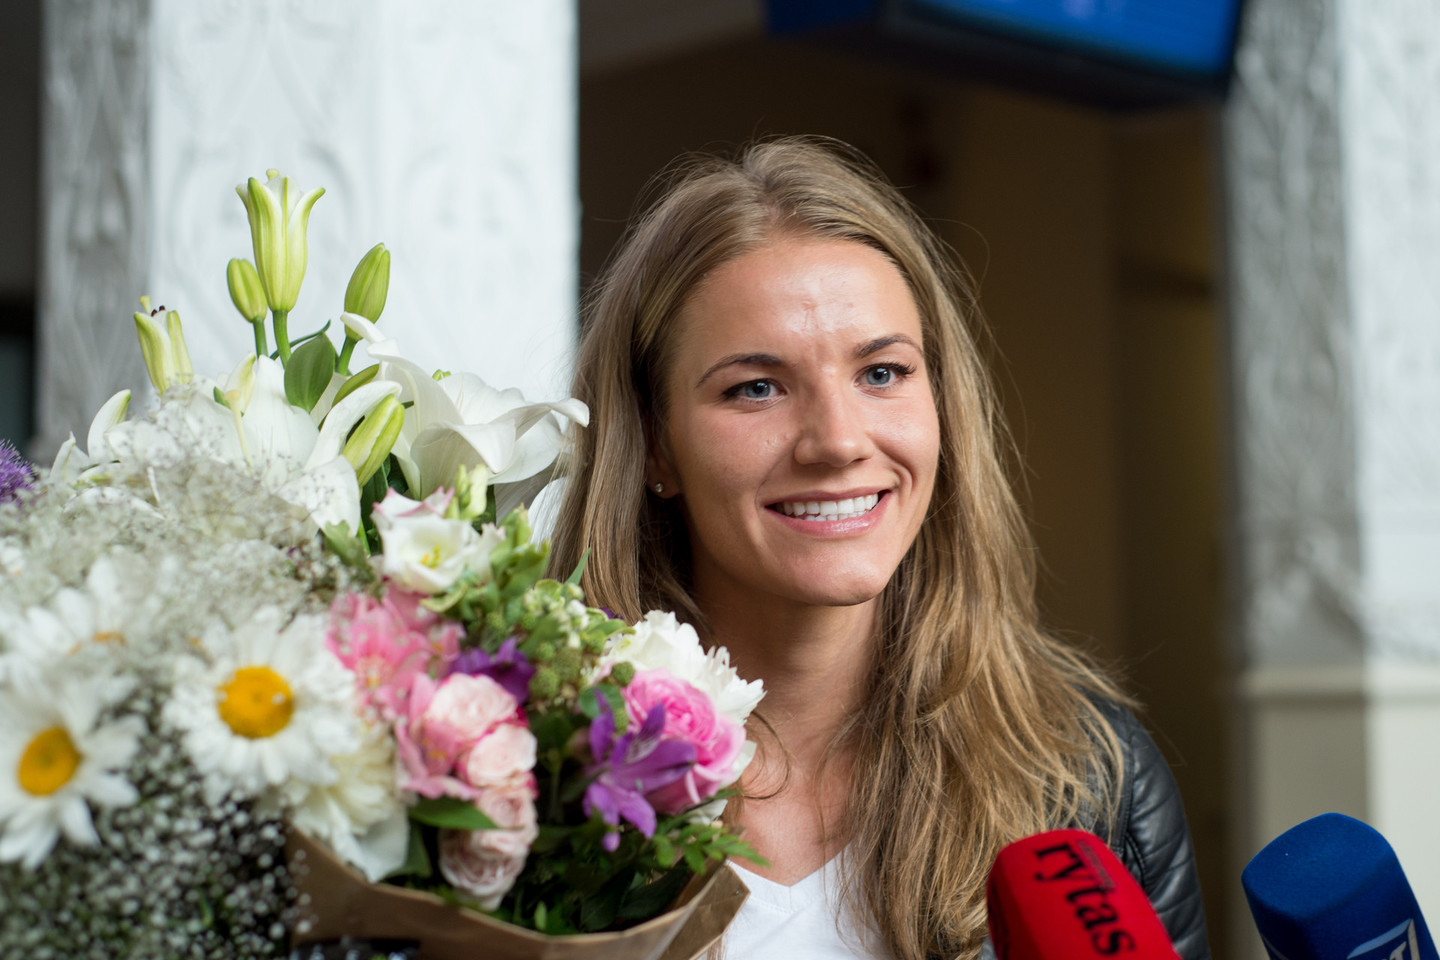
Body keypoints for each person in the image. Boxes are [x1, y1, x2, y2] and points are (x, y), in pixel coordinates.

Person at [548, 137, 1208, 960]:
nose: (838, 441)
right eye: (756, 387)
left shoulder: (1091, 779)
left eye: (882, 373)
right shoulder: (516, 779)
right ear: (654, 444)